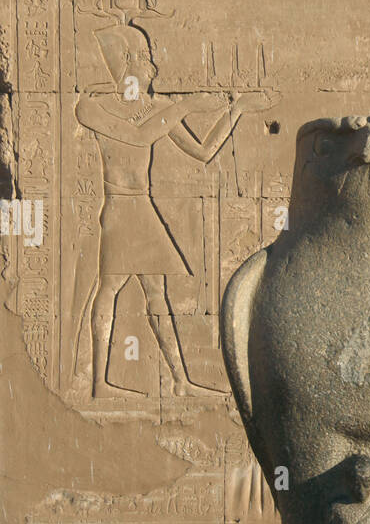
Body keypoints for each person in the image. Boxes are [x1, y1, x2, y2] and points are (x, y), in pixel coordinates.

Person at [75, 22, 273, 397]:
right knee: (111, 287)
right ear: (129, 63)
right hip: (120, 208)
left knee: (156, 294)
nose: (154, 68)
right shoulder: (93, 107)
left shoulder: (157, 109)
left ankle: (181, 382)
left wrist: (238, 110)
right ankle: (99, 383)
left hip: (143, 208)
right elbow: (136, 135)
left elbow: (202, 152)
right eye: (148, 59)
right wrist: (183, 105)